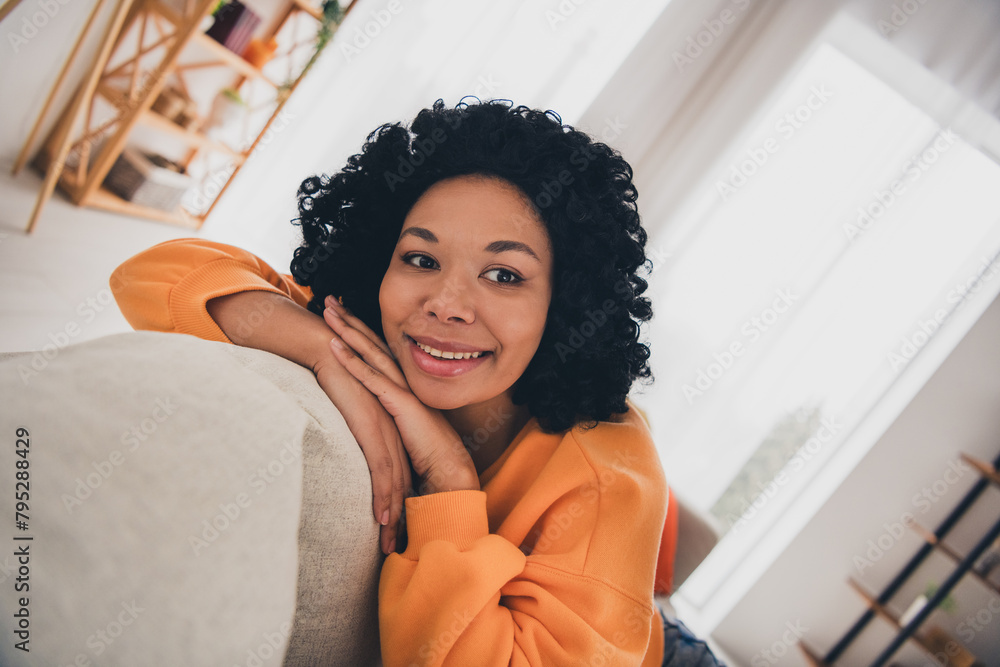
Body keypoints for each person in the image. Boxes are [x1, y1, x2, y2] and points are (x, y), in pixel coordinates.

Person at [111, 98, 725, 666]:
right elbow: (149, 273)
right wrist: (324, 350)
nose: (447, 304)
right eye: (421, 259)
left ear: (561, 304)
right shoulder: (366, 336)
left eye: (505, 275)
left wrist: (451, 481)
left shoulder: (607, 474)